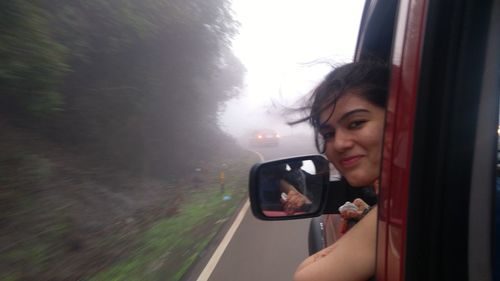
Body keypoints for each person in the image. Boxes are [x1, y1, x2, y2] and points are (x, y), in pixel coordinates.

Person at [292, 60, 389, 281]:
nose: (339, 144)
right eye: (328, 134)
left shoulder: (412, 199)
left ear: (397, 117)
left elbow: (307, 277)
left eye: (356, 123)